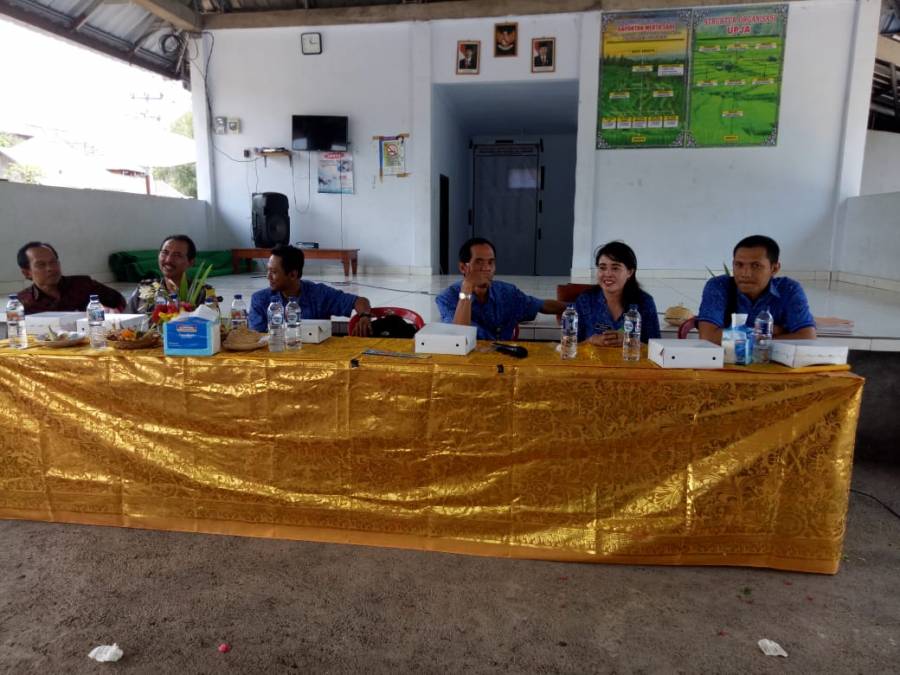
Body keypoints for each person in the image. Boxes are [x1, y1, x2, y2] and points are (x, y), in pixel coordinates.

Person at [436, 237, 565, 340]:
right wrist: (467, 287)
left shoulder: (506, 293)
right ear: (463, 268)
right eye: (479, 262)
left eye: (490, 262)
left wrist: (571, 308)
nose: (487, 268)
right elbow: (459, 337)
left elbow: (539, 305)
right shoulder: (447, 299)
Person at [697, 234, 816, 344]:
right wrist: (767, 332)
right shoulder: (719, 287)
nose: (745, 273)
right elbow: (708, 337)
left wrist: (735, 335)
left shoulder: (788, 290)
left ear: (774, 269)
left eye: (756, 266)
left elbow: (807, 337)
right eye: (739, 265)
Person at [249, 244, 373, 336]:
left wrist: (365, 316)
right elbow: (256, 338)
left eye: (274, 272)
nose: (268, 276)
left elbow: (360, 301)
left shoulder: (319, 294)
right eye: (268, 270)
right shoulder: (260, 300)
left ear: (292, 275)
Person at [574, 241, 660, 346]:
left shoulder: (644, 302)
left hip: (631, 357)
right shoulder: (585, 301)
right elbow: (569, 346)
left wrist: (630, 342)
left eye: (615, 268)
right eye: (602, 268)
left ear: (630, 272)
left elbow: (657, 348)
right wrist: (591, 341)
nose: (608, 274)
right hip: (592, 357)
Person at [15, 241, 125, 315]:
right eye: (41, 265)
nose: (50, 268)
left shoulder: (84, 285)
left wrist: (112, 311)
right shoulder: (22, 302)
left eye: (53, 262)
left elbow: (119, 300)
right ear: (27, 273)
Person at [125, 234, 206, 314]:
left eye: (177, 255)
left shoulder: (202, 293)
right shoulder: (145, 288)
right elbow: (125, 319)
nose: (168, 260)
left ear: (191, 262)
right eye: (165, 253)